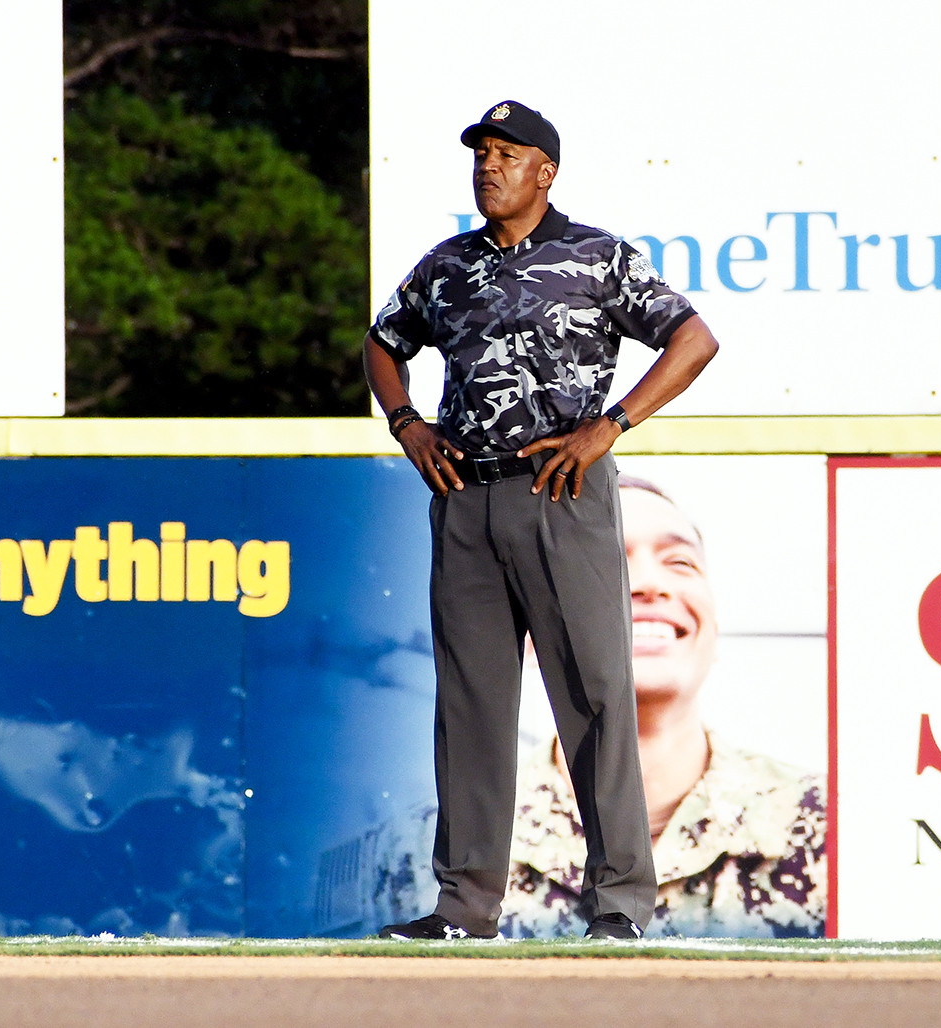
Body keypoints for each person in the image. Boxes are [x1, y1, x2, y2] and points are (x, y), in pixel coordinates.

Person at [362, 100, 719, 941]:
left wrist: (613, 424)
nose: (489, 166)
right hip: (466, 498)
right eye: (482, 153)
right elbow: (382, 342)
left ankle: (620, 906)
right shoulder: (447, 266)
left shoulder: (594, 256)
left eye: (507, 154)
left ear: (544, 171)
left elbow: (694, 340)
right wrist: (406, 423)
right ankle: (464, 908)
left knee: (594, 696)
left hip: (561, 492)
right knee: (471, 705)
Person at [499, 476, 826, 938]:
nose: (651, 585)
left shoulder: (829, 829)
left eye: (680, 562)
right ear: (531, 631)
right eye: (604, 559)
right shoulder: (427, 852)